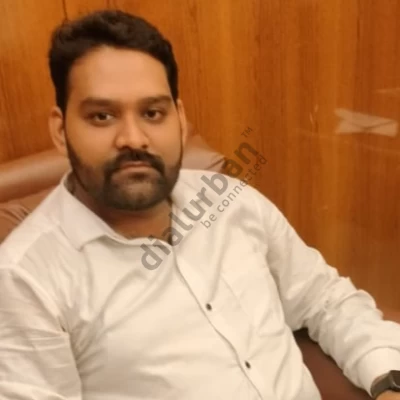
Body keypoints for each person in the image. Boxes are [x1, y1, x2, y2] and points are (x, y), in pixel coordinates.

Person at [0, 9, 399, 400]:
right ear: (61, 130)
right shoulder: (24, 280)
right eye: (102, 116)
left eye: (153, 113)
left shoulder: (229, 200)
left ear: (179, 119)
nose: (133, 138)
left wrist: (387, 380)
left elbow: (325, 299)